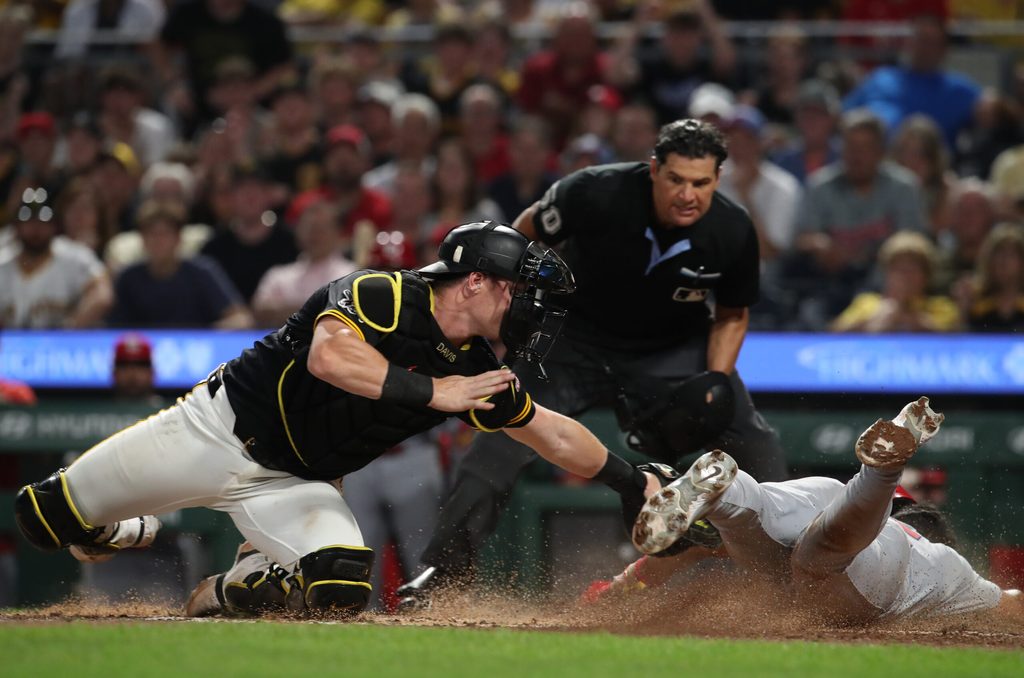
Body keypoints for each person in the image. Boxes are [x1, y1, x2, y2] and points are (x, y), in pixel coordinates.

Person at [15, 221, 670, 618]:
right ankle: (123, 528)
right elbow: (331, 358)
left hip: (289, 481)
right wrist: (434, 392)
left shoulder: (471, 365)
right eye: (514, 290)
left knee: (336, 583)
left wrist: (627, 478)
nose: (524, 305)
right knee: (43, 518)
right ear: (473, 282)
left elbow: (549, 430)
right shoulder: (381, 292)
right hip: (211, 432)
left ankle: (230, 590)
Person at [397, 119, 788, 609]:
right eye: (676, 180)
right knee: (499, 439)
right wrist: (518, 312)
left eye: (701, 183)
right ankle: (441, 578)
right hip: (571, 341)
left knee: (757, 441)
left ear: (718, 178)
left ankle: (795, 578)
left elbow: (732, 314)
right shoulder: (594, 191)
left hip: (672, 350)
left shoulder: (732, 229)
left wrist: (714, 378)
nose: (688, 193)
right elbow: (521, 234)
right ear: (653, 170)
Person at [625, 398, 1024, 622]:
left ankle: (726, 490)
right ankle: (882, 471)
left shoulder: (901, 537)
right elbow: (1012, 601)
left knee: (754, 511)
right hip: (855, 547)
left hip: (820, 494)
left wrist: (613, 591)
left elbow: (677, 557)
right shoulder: (945, 565)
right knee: (820, 558)